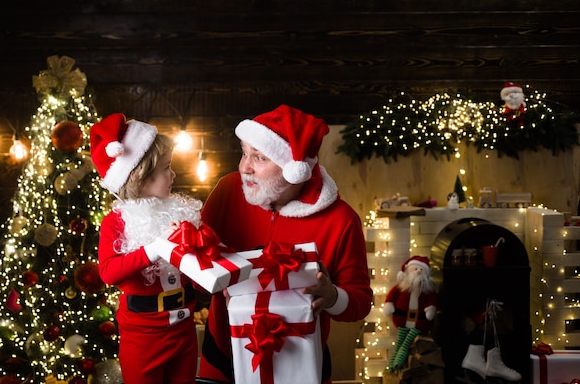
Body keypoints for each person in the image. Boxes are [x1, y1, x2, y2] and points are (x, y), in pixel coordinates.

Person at [197, 104, 374, 384]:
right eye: (244, 153)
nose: (245, 167)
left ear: (294, 170)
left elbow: (361, 303)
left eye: (259, 158)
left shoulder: (341, 220)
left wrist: (331, 296)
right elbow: (196, 280)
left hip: (300, 368)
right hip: (221, 362)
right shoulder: (227, 191)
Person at [90, 113, 201, 384]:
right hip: (143, 335)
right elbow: (108, 272)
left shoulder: (180, 210)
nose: (173, 174)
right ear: (140, 176)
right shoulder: (115, 221)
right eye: (166, 168)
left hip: (184, 327)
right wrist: (155, 248)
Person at [383, 256, 438, 371]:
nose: (418, 271)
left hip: (419, 323)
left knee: (405, 344)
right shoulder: (401, 287)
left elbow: (432, 300)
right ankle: (392, 365)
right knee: (399, 342)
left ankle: (397, 364)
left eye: (421, 269)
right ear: (407, 271)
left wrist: (431, 308)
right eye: (416, 268)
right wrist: (389, 305)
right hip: (402, 320)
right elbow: (392, 296)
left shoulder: (428, 290)